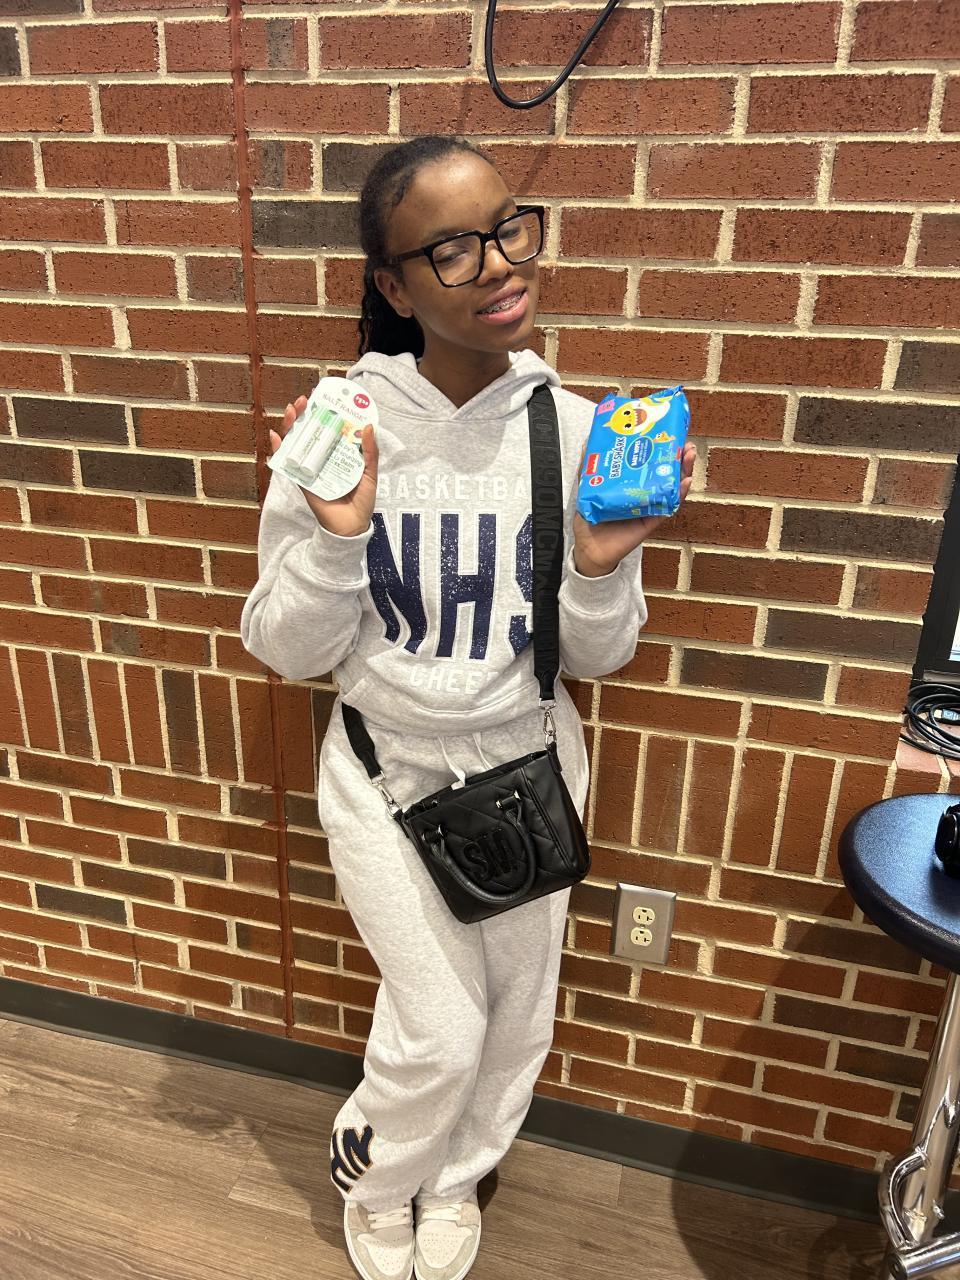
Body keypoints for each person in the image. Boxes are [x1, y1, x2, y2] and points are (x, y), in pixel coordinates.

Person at [240, 134, 695, 1280]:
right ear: (393, 286)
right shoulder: (342, 425)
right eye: (452, 247)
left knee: (516, 1015)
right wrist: (339, 539)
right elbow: (284, 648)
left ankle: (455, 1175)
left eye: (508, 228)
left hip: (528, 763)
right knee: (439, 1026)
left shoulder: (579, 430)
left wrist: (597, 564)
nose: (498, 263)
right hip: (385, 771)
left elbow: (603, 654)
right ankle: (377, 1175)